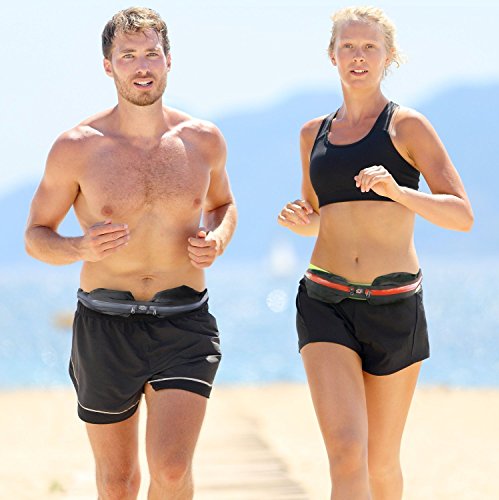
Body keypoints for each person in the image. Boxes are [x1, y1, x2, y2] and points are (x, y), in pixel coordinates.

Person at [25, 7, 236, 500]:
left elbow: (223, 205)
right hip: (105, 323)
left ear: (168, 61)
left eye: (151, 54)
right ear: (108, 66)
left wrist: (218, 239)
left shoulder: (203, 140)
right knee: (118, 484)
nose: (142, 66)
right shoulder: (77, 147)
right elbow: (35, 235)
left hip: (183, 319)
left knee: (171, 469)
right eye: (128, 56)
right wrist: (79, 246)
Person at [278, 6, 472, 500]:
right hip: (325, 301)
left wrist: (399, 192)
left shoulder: (408, 127)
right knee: (347, 453)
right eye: (348, 46)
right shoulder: (312, 134)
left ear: (389, 57)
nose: (358, 56)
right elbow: (321, 216)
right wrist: (303, 220)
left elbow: (461, 215)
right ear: (332, 55)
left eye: (369, 47)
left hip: (394, 305)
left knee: (380, 464)